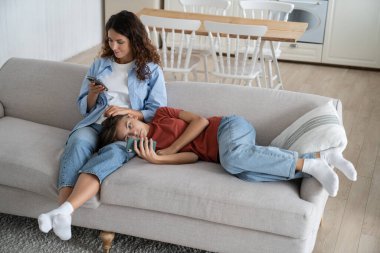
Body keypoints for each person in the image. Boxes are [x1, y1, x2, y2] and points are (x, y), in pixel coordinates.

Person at [38, 10, 167, 240]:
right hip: (97, 123)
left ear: (134, 40)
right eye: (110, 40)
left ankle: (63, 212)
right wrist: (92, 95)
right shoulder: (99, 66)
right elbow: (83, 108)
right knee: (77, 141)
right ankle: (62, 215)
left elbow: (158, 112)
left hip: (126, 131)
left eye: (120, 42)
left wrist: (129, 112)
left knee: (115, 154)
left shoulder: (151, 70)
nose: (114, 46)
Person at [99, 107, 357, 199]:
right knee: (244, 173)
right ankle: (319, 161)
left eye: (130, 125)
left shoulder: (162, 114)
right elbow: (193, 157)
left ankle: (311, 164)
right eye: (128, 136)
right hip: (228, 154)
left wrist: (171, 148)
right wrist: (158, 159)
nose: (135, 133)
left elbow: (199, 121)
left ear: (133, 117)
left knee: (232, 159)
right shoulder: (150, 148)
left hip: (228, 127)